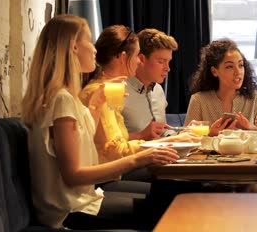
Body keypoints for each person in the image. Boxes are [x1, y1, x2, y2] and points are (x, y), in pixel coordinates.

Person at [21, 15, 179, 229]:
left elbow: (87, 148)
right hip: (68, 211)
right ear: (73, 47)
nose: (95, 49)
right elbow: (73, 174)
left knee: (165, 195)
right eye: (89, 40)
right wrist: (141, 158)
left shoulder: (68, 98)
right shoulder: (62, 100)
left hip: (86, 199)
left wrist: (95, 105)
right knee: (164, 205)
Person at [80, 25, 199, 183]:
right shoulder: (101, 92)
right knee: (182, 183)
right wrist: (166, 142)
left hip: (120, 171)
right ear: (123, 58)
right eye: (136, 55)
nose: (138, 61)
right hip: (111, 177)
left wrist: (175, 139)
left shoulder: (111, 89)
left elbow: (114, 144)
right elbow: (114, 152)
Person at [185, 38, 257, 136]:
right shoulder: (199, 100)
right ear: (214, 71)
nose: (238, 72)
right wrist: (210, 134)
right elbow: (186, 138)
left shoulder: (254, 98)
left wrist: (250, 128)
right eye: (229, 66)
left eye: (240, 65)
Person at [122, 28, 178, 140]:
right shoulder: (120, 90)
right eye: (161, 62)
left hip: (161, 155)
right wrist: (140, 136)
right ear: (141, 59)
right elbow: (105, 143)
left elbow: (161, 133)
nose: (167, 69)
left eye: (168, 62)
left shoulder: (158, 90)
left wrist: (180, 134)